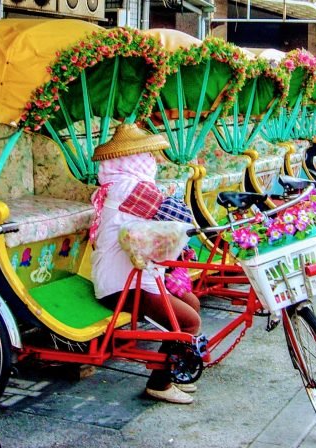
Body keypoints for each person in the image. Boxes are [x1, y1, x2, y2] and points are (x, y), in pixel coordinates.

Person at [90, 124, 201, 405]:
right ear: (133, 160)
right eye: (148, 157)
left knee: (192, 303)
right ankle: (160, 383)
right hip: (121, 285)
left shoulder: (121, 185)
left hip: (138, 276)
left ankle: (174, 370)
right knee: (188, 322)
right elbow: (176, 213)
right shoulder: (128, 189)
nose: (152, 162)